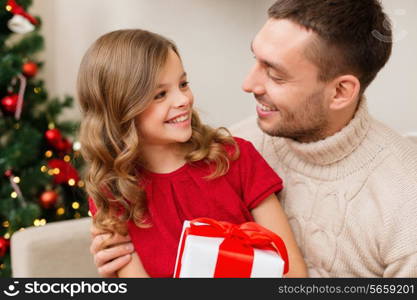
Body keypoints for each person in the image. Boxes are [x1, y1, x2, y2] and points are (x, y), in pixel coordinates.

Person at [90, 0, 417, 277]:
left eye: (275, 74)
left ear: (341, 91)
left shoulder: (404, 205)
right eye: (255, 59)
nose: (248, 84)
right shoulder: (238, 141)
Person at [78, 29, 307, 277]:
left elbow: (292, 271)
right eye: (160, 94)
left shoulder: (234, 157)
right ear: (121, 111)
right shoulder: (113, 193)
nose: (183, 99)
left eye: (183, 84)